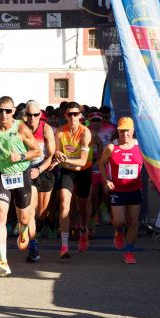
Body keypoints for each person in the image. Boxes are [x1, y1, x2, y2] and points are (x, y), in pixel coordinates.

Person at [0, 96, 41, 277]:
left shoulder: (21, 128)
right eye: (0, 110)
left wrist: (22, 156)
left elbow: (37, 151)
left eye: (8, 111)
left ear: (13, 111)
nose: (3, 114)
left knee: (24, 218)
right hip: (2, 175)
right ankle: (3, 260)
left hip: (21, 175)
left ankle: (23, 227)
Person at [98, 117, 144, 264]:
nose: (125, 134)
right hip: (117, 190)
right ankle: (118, 231)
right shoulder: (112, 147)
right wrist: (106, 180)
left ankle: (129, 252)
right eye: (122, 131)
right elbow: (101, 163)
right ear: (118, 131)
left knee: (134, 223)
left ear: (133, 131)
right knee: (120, 221)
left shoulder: (140, 147)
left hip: (135, 189)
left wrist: (153, 180)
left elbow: (150, 165)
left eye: (127, 131)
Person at [54, 102, 93, 258]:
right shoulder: (59, 132)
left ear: (80, 115)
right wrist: (58, 154)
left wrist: (63, 160)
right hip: (67, 171)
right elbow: (57, 151)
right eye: (69, 114)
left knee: (82, 207)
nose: (72, 117)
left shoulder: (85, 132)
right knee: (64, 204)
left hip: (84, 171)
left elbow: (83, 162)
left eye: (75, 114)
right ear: (65, 116)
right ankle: (64, 246)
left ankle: (83, 229)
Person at [23, 100, 55, 263]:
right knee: (31, 210)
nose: (32, 118)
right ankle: (33, 247)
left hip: (43, 170)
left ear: (40, 115)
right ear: (25, 115)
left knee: (41, 212)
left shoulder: (46, 129)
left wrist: (40, 170)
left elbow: (51, 155)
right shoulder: (20, 128)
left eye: (36, 115)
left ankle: (33, 225)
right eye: (29, 115)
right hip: (26, 172)